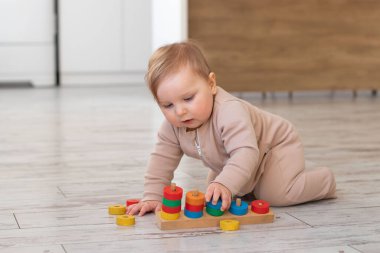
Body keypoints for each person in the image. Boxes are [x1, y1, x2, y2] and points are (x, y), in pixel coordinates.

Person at [127, 41, 336, 216]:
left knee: (276, 195)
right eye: (168, 105)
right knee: (216, 193)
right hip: (233, 159)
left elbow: (245, 152)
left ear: (211, 84)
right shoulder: (173, 127)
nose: (180, 111)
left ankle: (324, 181)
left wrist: (225, 183)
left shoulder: (229, 111)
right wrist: (153, 196)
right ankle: (256, 183)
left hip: (274, 148)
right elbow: (161, 160)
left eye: (188, 98)